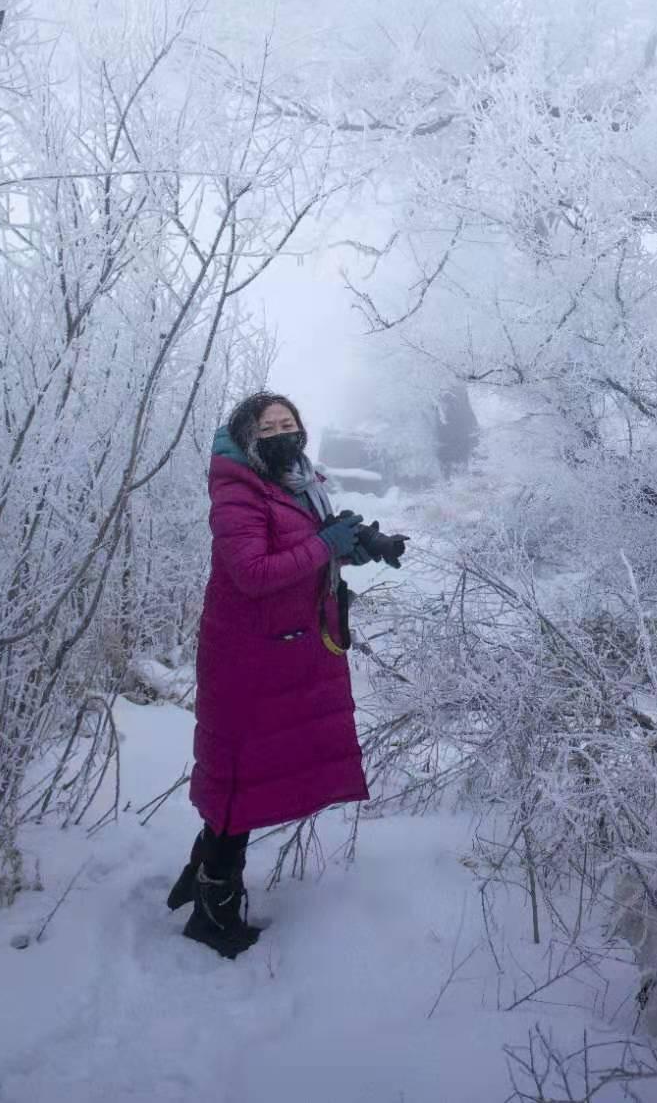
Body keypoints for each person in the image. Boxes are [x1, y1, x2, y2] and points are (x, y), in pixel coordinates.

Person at [166, 391, 408, 959]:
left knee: (249, 774)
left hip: (285, 652)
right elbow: (253, 572)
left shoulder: (295, 482)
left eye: (288, 422)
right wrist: (326, 544)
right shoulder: (238, 490)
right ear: (248, 437)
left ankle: (200, 877)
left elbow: (306, 544)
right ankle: (213, 912)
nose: (282, 432)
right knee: (239, 777)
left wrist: (358, 544)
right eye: (269, 426)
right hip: (247, 660)